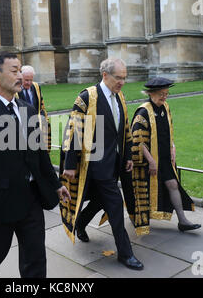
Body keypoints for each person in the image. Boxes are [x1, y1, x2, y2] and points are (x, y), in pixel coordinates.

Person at [0, 51, 70, 278]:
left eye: (20, 70)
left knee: (35, 260)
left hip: (31, 201)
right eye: (14, 71)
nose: (20, 76)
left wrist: (55, 184)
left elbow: (39, 154)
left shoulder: (28, 110)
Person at [61, 58, 143, 271]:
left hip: (114, 163)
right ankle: (126, 254)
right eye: (119, 78)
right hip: (93, 163)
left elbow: (124, 130)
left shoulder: (120, 97)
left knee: (99, 200)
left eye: (125, 78)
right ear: (105, 75)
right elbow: (74, 130)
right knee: (115, 206)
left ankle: (80, 222)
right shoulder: (88, 96)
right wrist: (69, 164)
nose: (122, 82)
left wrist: (127, 157)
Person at [129, 77, 200, 234]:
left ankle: (183, 221)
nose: (165, 96)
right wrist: (151, 161)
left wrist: (173, 147)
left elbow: (169, 131)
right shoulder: (143, 112)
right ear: (151, 94)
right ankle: (137, 218)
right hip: (148, 161)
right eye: (161, 94)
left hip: (165, 158)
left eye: (166, 93)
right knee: (143, 191)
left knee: (173, 184)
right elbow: (138, 140)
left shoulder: (165, 108)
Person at [17, 65, 51, 152]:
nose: (29, 83)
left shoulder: (36, 86)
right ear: (21, 78)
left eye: (31, 80)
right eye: (26, 80)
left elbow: (41, 106)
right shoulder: (15, 90)